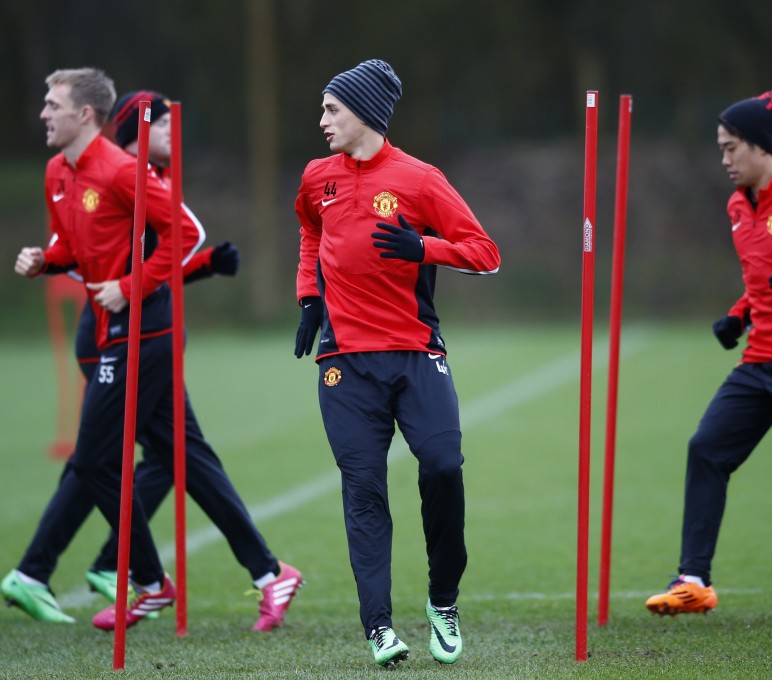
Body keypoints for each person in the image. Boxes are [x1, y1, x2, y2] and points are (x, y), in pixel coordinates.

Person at [3, 71, 299, 633]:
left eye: (52, 104)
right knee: (180, 455)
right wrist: (47, 258)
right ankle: (268, 574)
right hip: (111, 329)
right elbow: (75, 242)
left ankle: (143, 579)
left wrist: (131, 285)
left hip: (145, 331)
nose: (42, 113)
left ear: (85, 115)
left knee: (94, 460)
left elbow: (183, 237)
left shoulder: (120, 170)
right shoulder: (55, 173)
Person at [292, 59, 499, 667]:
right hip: (343, 362)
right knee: (363, 489)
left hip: (414, 355)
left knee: (441, 465)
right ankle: (379, 626)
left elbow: (485, 253)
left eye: (333, 109)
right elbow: (309, 232)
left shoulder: (420, 179)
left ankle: (443, 601)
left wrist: (424, 247)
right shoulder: (315, 177)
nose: (323, 119)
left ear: (365, 114)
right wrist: (310, 297)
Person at [644, 92, 772, 626]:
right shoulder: (738, 203)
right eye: (721, 149)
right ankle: (693, 581)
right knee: (706, 449)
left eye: (731, 148)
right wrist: (739, 314)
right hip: (759, 360)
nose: (725, 159)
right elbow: (762, 278)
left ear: (760, 147)